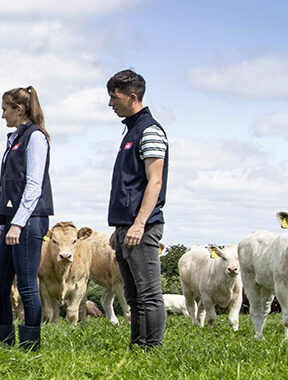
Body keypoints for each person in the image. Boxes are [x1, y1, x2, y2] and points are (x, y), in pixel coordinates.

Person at [105, 69, 169, 350]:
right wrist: (120, 226)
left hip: (142, 226)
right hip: (126, 226)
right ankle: (138, 346)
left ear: (132, 97)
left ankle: (150, 350)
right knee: (133, 295)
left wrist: (139, 223)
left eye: (114, 97)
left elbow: (154, 181)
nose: (110, 103)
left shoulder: (150, 130)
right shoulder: (131, 131)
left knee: (149, 293)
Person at [0, 85, 52, 351]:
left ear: (19, 109)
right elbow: (8, 186)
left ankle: (30, 347)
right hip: (12, 222)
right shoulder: (14, 139)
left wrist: (18, 223)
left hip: (29, 220)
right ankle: (3, 345)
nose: (2, 115)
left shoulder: (36, 137)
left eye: (5, 109)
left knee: (26, 286)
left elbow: (34, 185)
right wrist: (2, 224)